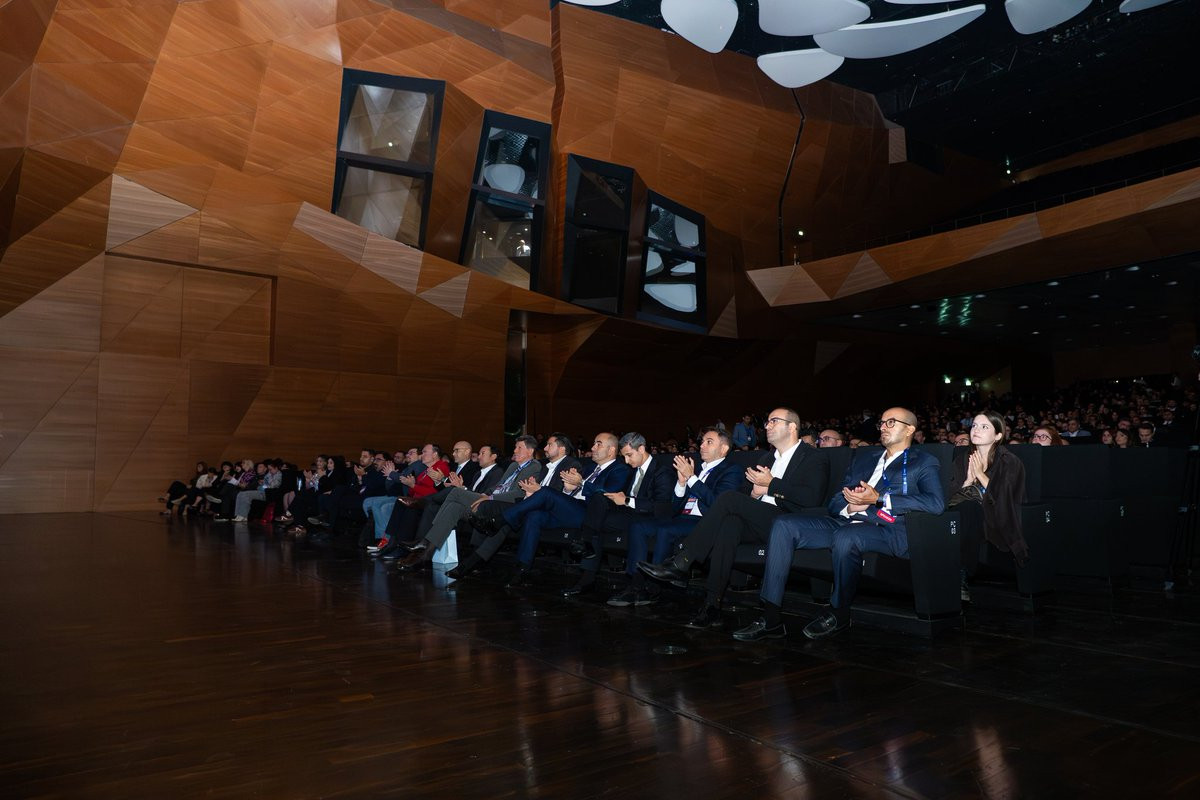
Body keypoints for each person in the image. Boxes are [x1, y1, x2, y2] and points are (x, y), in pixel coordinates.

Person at [733, 407, 944, 641]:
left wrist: (877, 500)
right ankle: (771, 617)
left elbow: (935, 503)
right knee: (784, 525)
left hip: (887, 528)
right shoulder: (865, 459)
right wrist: (850, 507)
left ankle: (839, 612)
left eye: (891, 422)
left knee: (848, 536)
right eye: (882, 423)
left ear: (910, 429)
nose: (883, 427)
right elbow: (836, 501)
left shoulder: (923, 461)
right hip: (845, 520)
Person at [638, 407, 828, 628]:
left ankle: (683, 561)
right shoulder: (766, 458)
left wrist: (771, 485)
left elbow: (812, 498)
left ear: (792, 426)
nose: (767, 426)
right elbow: (746, 492)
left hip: (790, 522)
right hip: (760, 520)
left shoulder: (814, 456)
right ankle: (712, 605)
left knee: (728, 498)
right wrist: (755, 493)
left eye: (774, 421)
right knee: (729, 525)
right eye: (767, 422)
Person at [606, 427, 743, 606]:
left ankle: (653, 588)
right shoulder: (696, 468)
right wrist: (681, 483)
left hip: (704, 522)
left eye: (709, 442)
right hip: (681, 518)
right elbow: (675, 507)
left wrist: (691, 478)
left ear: (724, 449)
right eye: (702, 442)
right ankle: (635, 585)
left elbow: (718, 504)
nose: (702, 445)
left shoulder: (731, 470)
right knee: (638, 526)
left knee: (666, 529)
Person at [391, 436, 545, 570]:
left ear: (530, 451)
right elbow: (498, 486)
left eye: (519, 448)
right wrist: (487, 494)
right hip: (488, 500)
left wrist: (489, 497)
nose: (515, 450)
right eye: (515, 447)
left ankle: (425, 539)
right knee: (454, 506)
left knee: (455, 492)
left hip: (502, 506)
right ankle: (426, 554)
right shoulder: (513, 466)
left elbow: (519, 494)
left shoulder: (534, 466)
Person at [568, 432, 677, 596]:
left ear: (641, 449)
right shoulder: (633, 469)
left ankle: (588, 555)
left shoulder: (662, 471)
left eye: (629, 455)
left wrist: (627, 501)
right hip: (628, 513)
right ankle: (586, 551)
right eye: (624, 456)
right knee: (598, 501)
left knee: (596, 521)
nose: (626, 461)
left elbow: (661, 507)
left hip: (647, 516)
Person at [951, 412, 1029, 601]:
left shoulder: (1009, 461)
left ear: (998, 435)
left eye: (984, 427)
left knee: (969, 508)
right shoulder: (962, 458)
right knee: (965, 509)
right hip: (965, 518)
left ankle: (960, 576)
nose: (976, 430)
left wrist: (980, 474)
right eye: (974, 426)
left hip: (998, 519)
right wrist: (968, 481)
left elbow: (1007, 500)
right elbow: (951, 498)